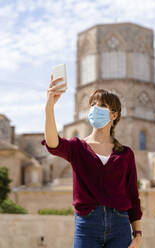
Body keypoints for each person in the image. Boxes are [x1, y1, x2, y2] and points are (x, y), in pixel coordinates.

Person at [41, 74, 143, 248]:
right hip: (87, 225)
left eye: (102, 105)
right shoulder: (77, 147)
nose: (96, 108)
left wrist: (138, 234)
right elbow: (52, 143)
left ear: (114, 115)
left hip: (120, 225)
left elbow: (133, 195)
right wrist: (49, 106)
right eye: (93, 105)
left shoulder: (125, 154)